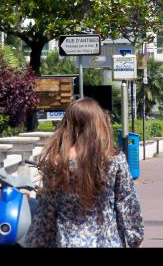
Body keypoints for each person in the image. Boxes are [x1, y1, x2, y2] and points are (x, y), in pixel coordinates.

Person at [24, 98, 144, 247]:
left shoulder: (56, 163)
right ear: (99, 125)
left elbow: (45, 217)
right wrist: (135, 240)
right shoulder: (113, 161)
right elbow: (127, 206)